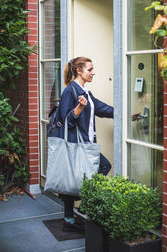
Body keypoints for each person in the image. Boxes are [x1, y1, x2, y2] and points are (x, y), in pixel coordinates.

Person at [57, 56, 114, 232]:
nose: (93, 72)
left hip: (87, 144)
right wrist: (78, 109)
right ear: (79, 71)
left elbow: (101, 108)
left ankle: (82, 210)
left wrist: (124, 113)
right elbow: (64, 120)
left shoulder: (86, 92)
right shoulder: (70, 91)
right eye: (90, 69)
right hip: (75, 145)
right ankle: (69, 219)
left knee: (100, 168)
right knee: (72, 180)